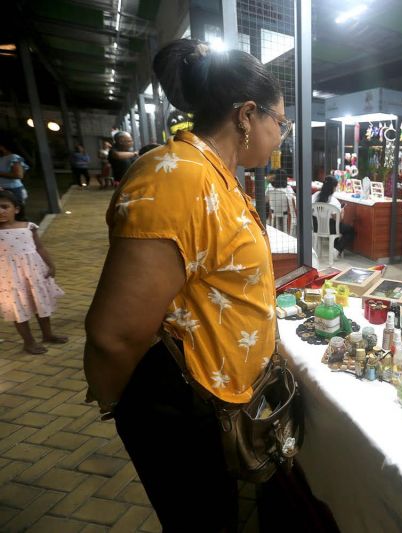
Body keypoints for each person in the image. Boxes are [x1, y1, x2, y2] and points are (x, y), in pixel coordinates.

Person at [84, 38, 291, 531]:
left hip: (209, 400)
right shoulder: (177, 178)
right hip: (180, 404)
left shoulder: (215, 174)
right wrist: (114, 397)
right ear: (246, 115)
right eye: (280, 123)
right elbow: (115, 333)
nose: (281, 136)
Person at [0, 189, 67, 354]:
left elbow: (40, 247)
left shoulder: (28, 227)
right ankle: (28, 342)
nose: (0, 211)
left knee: (40, 303)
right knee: (18, 308)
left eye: (4, 207)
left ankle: (47, 334)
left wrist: (51, 265)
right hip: (9, 278)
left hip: (34, 273)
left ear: (16, 209)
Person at [312, 175, 355, 254]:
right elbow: (338, 219)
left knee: (337, 226)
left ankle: (334, 247)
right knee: (351, 230)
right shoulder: (334, 201)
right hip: (329, 228)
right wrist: (342, 211)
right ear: (333, 188)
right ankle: (336, 250)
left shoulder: (315, 195)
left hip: (315, 226)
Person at [0, 137, 30, 205]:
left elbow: (19, 175)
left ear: (2, 147)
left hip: (13, 190)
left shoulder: (13, 157)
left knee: (16, 209)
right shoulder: (2, 158)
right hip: (2, 189)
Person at [267, 169, 295, 233]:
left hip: (273, 211)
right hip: (285, 212)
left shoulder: (270, 186)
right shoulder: (287, 188)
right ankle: (288, 232)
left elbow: (266, 199)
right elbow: (291, 200)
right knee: (290, 209)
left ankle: (272, 227)